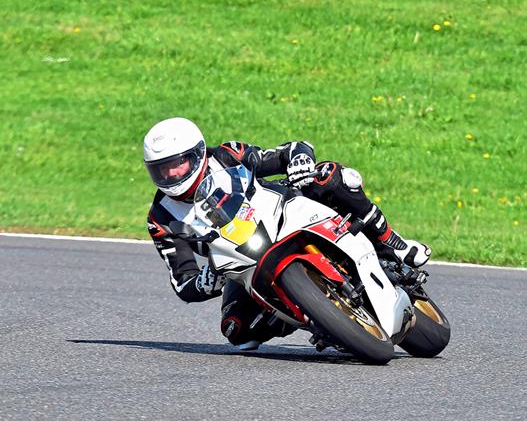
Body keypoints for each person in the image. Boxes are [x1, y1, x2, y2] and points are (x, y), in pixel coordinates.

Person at [143, 117, 431, 350]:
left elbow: (289, 150)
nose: (170, 175)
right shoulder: (160, 218)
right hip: (242, 265)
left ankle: (392, 242)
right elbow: (183, 283)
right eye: (161, 170)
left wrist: (300, 161)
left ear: (198, 155)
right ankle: (318, 317)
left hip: (284, 212)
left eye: (176, 164)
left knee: (330, 175)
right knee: (236, 330)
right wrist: (205, 282)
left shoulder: (228, 155)